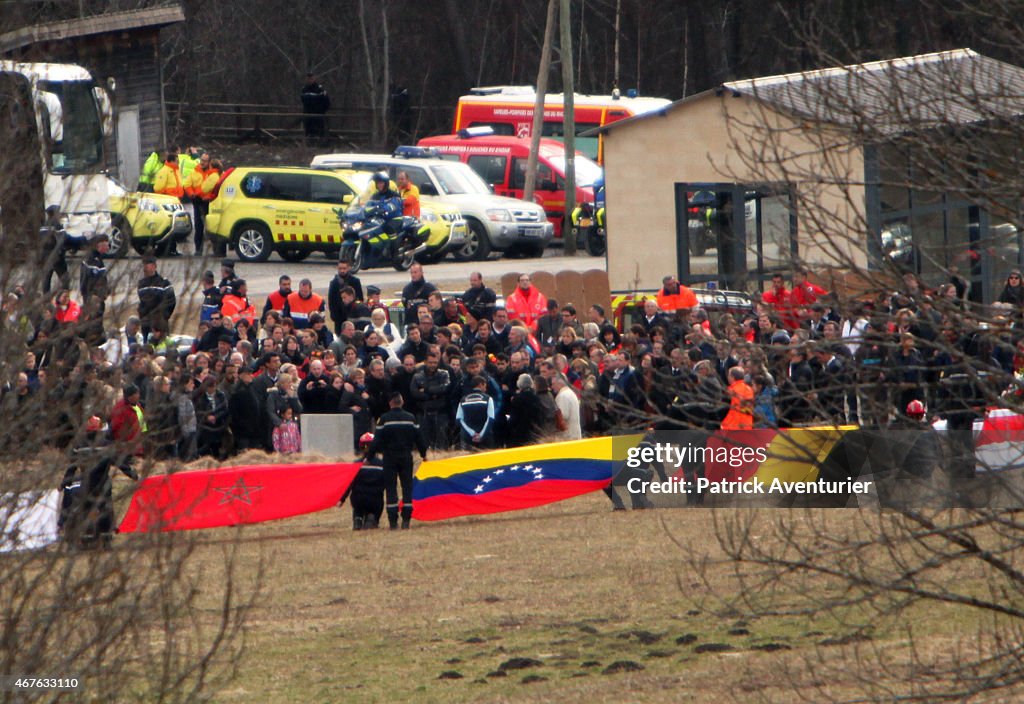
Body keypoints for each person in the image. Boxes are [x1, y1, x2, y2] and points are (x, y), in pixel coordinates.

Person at [60, 418, 138, 548]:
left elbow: (72, 467)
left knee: (81, 510)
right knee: (106, 509)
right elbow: (120, 463)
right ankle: (107, 538)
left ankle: (73, 539)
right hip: (103, 484)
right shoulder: (107, 445)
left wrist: (65, 483)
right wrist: (133, 474)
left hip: (86, 484)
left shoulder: (79, 446)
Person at [367, 392, 427, 530]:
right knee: (407, 487)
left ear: (390, 403)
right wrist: (424, 454)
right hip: (406, 457)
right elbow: (420, 439)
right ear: (402, 402)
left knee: (391, 488)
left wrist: (369, 457)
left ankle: (393, 521)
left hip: (389, 457)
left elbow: (376, 442)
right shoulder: (411, 418)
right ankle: (406, 520)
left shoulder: (384, 419)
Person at [342, 432, 387, 530]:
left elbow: (349, 484)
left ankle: (358, 518)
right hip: (375, 499)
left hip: (358, 499)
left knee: (358, 508)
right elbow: (387, 483)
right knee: (376, 505)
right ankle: (372, 518)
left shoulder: (356, 465)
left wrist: (342, 499)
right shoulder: (382, 465)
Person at [136, 255, 176, 343]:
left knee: (162, 345)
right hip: (146, 322)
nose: (145, 268)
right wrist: (142, 315)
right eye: (144, 266)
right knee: (147, 345)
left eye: (148, 265)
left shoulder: (164, 283)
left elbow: (171, 302)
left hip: (160, 323)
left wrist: (163, 317)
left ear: (154, 266)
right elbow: (142, 302)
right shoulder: (142, 284)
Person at [153, 148, 184, 255]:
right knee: (168, 227)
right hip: (168, 202)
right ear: (171, 161)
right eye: (177, 161)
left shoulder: (175, 171)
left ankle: (173, 249)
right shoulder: (164, 171)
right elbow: (158, 188)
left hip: (176, 201)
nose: (178, 163)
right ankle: (167, 249)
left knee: (175, 226)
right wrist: (166, 195)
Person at [456, 375, 496, 450]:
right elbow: (491, 418)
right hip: (486, 437)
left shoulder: (463, 400)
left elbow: (458, 419)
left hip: (468, 437)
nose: (485, 388)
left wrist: (472, 433)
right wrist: (481, 435)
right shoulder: (488, 398)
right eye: (485, 385)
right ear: (481, 384)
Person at [328, 260, 364, 332]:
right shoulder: (334, 283)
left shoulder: (355, 281)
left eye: (344, 268)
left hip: (353, 315)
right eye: (340, 268)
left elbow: (360, 298)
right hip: (339, 316)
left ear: (349, 268)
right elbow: (331, 300)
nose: (342, 270)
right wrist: (334, 315)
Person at [300, 72, 330, 143]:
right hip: (308, 114)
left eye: (311, 79)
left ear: (314, 79)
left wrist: (322, 110)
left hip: (318, 113)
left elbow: (326, 101)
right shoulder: (304, 89)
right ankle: (309, 143)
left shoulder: (320, 89)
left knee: (319, 129)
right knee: (309, 130)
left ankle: (320, 143)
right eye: (308, 79)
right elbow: (303, 100)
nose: (310, 80)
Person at [552, 372, 582, 440]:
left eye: (553, 384)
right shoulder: (571, 393)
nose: (552, 386)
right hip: (574, 435)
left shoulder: (563, 396)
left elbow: (562, 417)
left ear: (560, 383)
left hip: (567, 438)